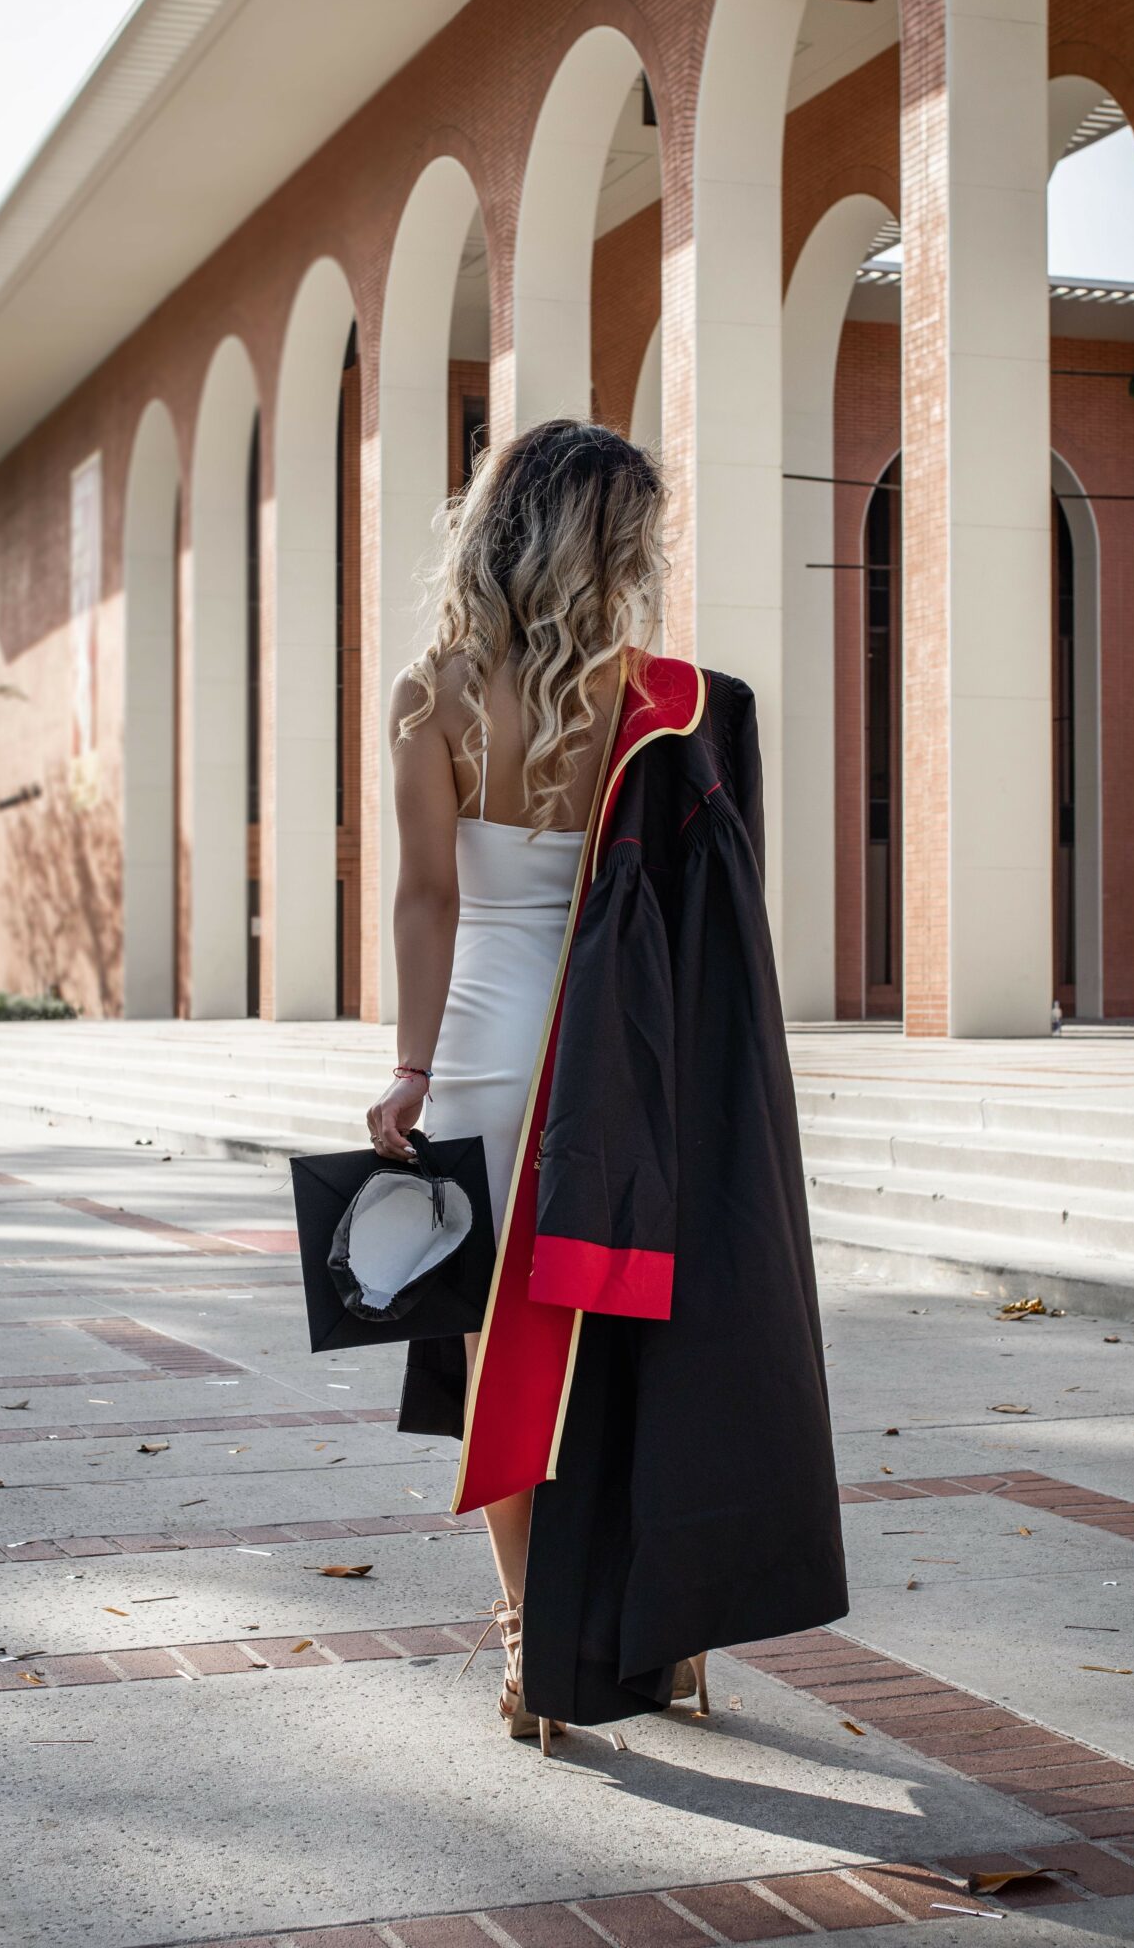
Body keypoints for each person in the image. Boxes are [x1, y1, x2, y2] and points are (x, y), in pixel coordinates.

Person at [367, 418, 847, 1752]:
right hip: (616, 1059)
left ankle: (526, 1639)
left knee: (492, 1366)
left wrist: (408, 1071)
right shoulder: (671, 703)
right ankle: (664, 1637)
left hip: (475, 1052)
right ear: (617, 546)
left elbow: (424, 900)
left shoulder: (432, 692)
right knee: (633, 1347)